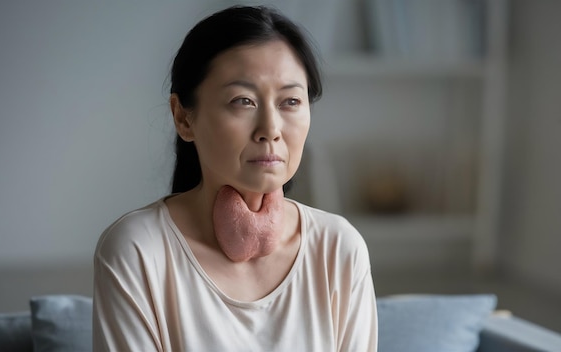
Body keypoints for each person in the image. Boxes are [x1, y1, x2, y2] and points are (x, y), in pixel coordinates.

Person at [93, 5, 378, 351]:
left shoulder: (338, 248)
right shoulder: (137, 250)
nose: (270, 129)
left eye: (290, 101)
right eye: (243, 101)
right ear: (183, 118)